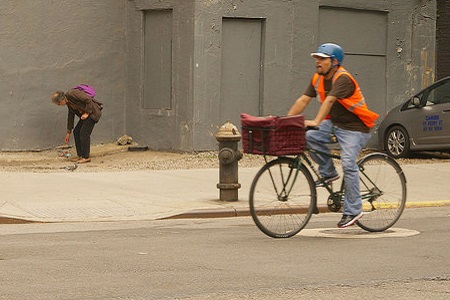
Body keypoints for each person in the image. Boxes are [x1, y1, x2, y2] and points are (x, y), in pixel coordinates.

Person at [288, 43, 379, 228]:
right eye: (317, 58)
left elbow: (329, 100)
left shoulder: (343, 78)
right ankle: (328, 173)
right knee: (309, 137)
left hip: (355, 127)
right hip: (334, 124)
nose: (318, 62)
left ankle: (353, 210)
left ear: (335, 62)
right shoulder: (317, 78)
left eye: (322, 58)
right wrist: (287, 121)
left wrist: (315, 122)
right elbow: (303, 100)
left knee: (347, 163)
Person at [51, 87, 102, 164]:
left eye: (58, 104)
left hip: (92, 114)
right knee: (76, 131)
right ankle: (80, 155)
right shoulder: (69, 103)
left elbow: (88, 99)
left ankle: (86, 157)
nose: (59, 105)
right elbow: (70, 116)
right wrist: (68, 132)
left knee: (84, 133)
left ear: (61, 100)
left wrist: (87, 113)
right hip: (85, 115)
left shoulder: (72, 93)